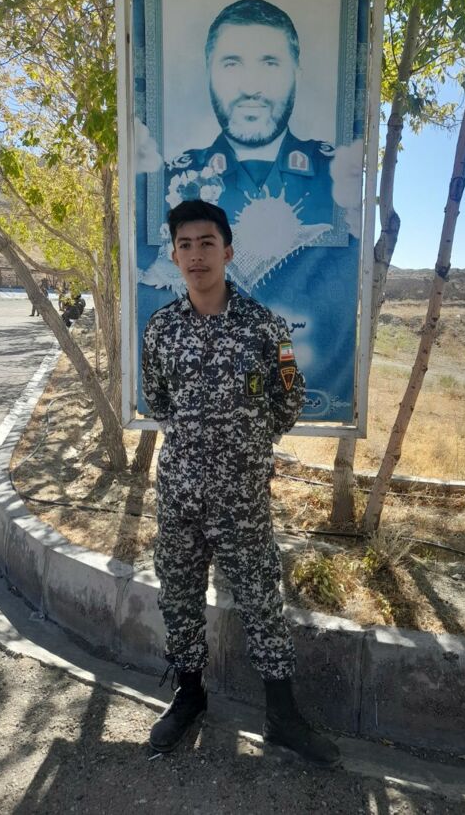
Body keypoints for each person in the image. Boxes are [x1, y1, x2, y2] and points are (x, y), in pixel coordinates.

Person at [141, 199, 340, 767]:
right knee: (179, 598)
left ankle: (283, 716)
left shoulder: (264, 327)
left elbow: (288, 401)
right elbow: (159, 401)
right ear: (174, 256)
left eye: (207, 243)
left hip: (243, 501)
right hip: (180, 497)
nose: (196, 255)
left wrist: (244, 452)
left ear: (228, 252)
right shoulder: (161, 330)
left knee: (261, 603)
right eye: (185, 245)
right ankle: (189, 695)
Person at [165, 0, 335, 228]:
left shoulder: (336, 174)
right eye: (232, 65)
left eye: (270, 64)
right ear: (208, 75)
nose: (250, 88)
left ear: (297, 75)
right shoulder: (172, 180)